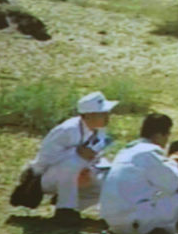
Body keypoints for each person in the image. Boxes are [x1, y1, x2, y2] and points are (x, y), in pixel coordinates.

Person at [26, 91, 118, 226]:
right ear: (89, 116)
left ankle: (70, 204)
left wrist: (88, 169)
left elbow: (96, 156)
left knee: (109, 179)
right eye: (103, 113)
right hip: (44, 178)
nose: (107, 116)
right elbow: (44, 159)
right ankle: (65, 211)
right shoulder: (67, 130)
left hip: (77, 175)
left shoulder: (99, 130)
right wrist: (75, 154)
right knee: (73, 163)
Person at [99, 113, 178, 234]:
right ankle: (161, 230)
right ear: (158, 135)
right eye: (167, 135)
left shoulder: (127, 150)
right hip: (135, 226)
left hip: (113, 223)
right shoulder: (149, 152)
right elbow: (171, 182)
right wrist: (173, 162)